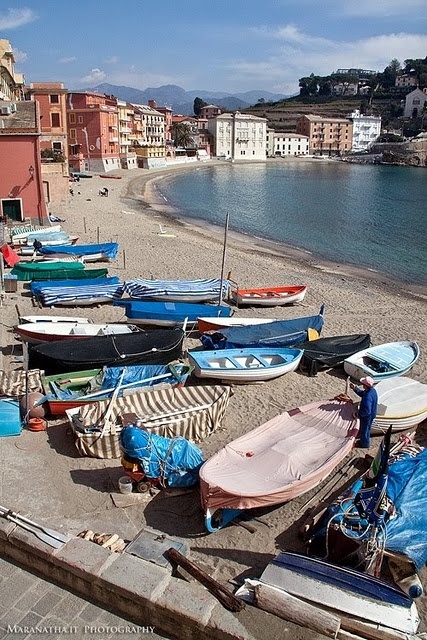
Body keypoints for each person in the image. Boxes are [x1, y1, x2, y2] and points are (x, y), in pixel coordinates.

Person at [350, 376, 378, 448]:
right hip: (372, 413)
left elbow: (367, 410)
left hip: (367, 416)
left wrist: (357, 414)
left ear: (365, 385)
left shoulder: (368, 396)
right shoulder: (372, 391)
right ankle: (363, 441)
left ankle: (364, 444)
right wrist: (355, 389)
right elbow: (363, 393)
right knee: (366, 428)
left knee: (365, 429)